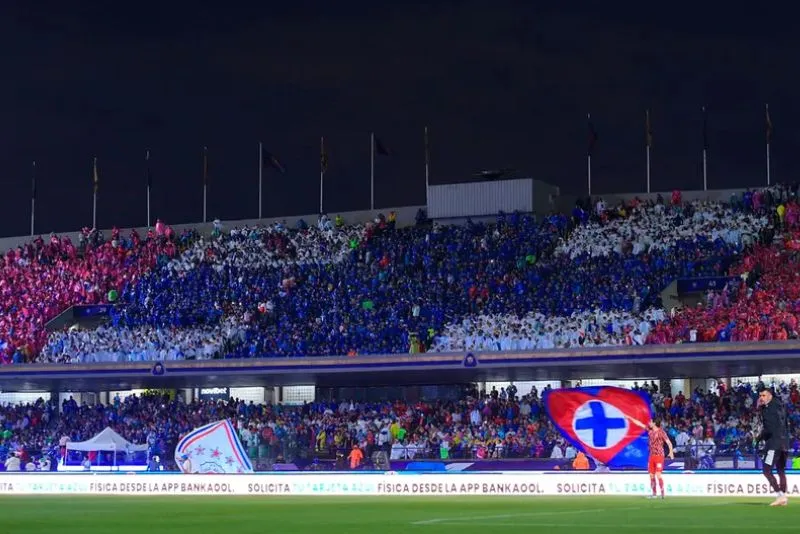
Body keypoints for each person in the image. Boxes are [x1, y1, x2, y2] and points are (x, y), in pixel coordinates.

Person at [757, 386, 789, 507]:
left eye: (764, 395)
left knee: (766, 470)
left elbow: (769, 429)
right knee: (781, 470)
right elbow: (785, 424)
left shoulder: (768, 410)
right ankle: (783, 496)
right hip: (784, 443)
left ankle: (780, 495)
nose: (761, 398)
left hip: (773, 444)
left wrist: (759, 437)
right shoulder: (780, 406)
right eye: (760, 396)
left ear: (770, 396)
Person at [630, 416, 674, 499]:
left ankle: (662, 492)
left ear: (654, 423)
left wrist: (671, 452)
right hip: (651, 456)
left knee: (658, 474)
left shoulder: (661, 432)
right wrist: (630, 418)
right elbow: (640, 424)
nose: (649, 423)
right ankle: (654, 494)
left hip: (659, 456)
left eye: (650, 421)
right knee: (651, 475)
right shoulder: (650, 431)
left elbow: (669, 443)